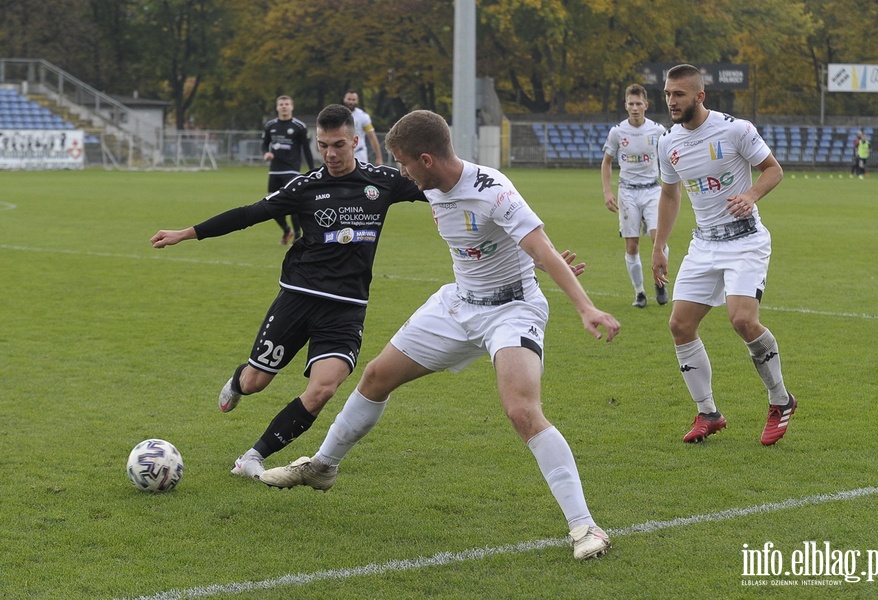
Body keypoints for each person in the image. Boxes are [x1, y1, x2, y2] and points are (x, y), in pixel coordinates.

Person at [260, 109, 622, 561]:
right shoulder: (431, 186)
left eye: (404, 163)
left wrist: (585, 306)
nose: (400, 173)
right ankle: (322, 467)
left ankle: (585, 527)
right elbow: (489, 248)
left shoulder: (494, 191)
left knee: (521, 410)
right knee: (375, 377)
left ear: (426, 160)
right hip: (457, 304)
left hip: (512, 310)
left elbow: (540, 245)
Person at [150, 104, 428, 479]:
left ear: (355, 142)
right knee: (255, 382)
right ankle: (238, 381)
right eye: (323, 145)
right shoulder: (306, 186)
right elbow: (249, 214)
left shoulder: (383, 182)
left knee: (323, 390)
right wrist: (187, 233)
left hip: (345, 309)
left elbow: (438, 185)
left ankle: (252, 457)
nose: (330, 153)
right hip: (298, 299)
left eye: (339, 145)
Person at [650, 64, 796, 446]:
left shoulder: (736, 129)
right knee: (680, 325)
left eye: (678, 94)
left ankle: (780, 401)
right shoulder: (667, 142)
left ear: (700, 96)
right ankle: (708, 412)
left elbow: (773, 170)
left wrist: (750, 196)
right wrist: (659, 246)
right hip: (703, 244)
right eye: (667, 94)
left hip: (745, 241)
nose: (670, 101)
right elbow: (669, 194)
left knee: (743, 320)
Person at [601, 83, 669, 308]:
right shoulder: (617, 132)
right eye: (631, 104)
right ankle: (639, 292)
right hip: (628, 191)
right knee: (632, 245)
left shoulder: (658, 131)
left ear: (646, 105)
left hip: (652, 189)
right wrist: (608, 191)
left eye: (639, 103)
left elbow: (670, 157)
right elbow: (607, 162)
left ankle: (660, 281)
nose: (635, 107)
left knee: (657, 237)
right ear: (626, 105)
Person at [262, 95, 316, 245]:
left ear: (292, 107)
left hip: (292, 171)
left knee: (293, 204)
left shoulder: (299, 126)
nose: (284, 106)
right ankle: (287, 230)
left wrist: (312, 170)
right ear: (277, 107)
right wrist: (266, 152)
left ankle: (298, 236)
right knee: (271, 205)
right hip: (274, 171)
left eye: (287, 104)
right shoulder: (270, 125)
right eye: (281, 104)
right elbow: (265, 144)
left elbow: (306, 149)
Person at [342, 90, 383, 165]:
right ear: (344, 99)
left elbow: (372, 137)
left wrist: (379, 157)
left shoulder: (363, 116)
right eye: (349, 99)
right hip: (342, 153)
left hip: (359, 154)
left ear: (357, 101)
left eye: (353, 100)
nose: (351, 102)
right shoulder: (338, 115)